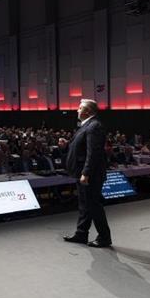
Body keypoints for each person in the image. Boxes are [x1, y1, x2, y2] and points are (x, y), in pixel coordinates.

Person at [63, 99, 112, 248]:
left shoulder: (94, 126)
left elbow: (93, 153)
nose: (77, 111)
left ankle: (104, 237)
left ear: (88, 111)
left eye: (79, 108)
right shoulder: (87, 126)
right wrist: (67, 144)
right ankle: (81, 234)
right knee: (85, 204)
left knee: (93, 205)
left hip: (91, 175)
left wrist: (86, 172)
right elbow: (84, 148)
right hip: (84, 173)